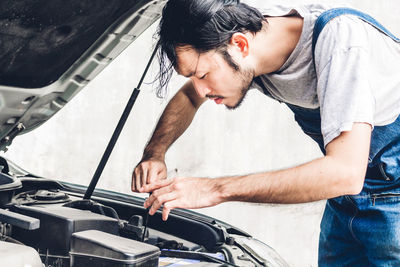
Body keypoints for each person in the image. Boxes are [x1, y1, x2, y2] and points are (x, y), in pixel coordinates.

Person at [132, 0, 400, 265]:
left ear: (240, 44)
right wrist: (154, 153)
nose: (200, 89)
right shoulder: (241, 39)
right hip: (346, 201)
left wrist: (214, 189)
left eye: (202, 75)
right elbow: (189, 97)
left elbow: (345, 173)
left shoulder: (341, 42)